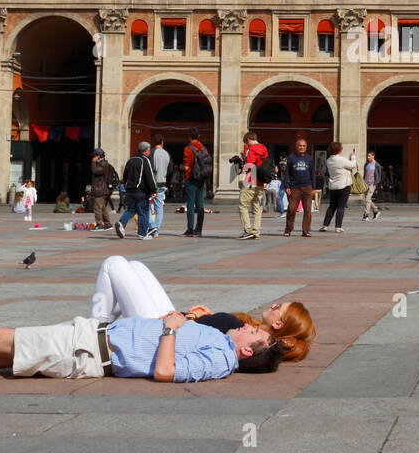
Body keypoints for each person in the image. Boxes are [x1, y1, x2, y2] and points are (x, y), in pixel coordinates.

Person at [0, 306, 282, 381]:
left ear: (248, 351)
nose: (248, 326)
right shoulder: (218, 341)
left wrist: (171, 329)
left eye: (255, 334)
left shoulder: (220, 359)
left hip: (89, 351)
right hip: (93, 342)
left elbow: (165, 371)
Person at [88, 255, 317, 362]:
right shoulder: (248, 327)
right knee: (136, 266)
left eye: (279, 307)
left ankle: (92, 329)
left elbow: (193, 338)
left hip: (160, 332)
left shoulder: (247, 336)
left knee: (114, 264)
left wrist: (190, 317)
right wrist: (194, 316)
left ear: (278, 324)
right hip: (172, 321)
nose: (273, 304)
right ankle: (107, 327)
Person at [115, 142, 156, 240]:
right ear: (146, 151)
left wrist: (126, 186)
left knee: (131, 210)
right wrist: (153, 190)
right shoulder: (145, 160)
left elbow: (124, 175)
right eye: (149, 150)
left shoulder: (131, 160)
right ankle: (142, 234)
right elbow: (149, 176)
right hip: (141, 191)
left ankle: (121, 223)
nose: (149, 152)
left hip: (129, 190)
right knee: (143, 212)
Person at [235, 130, 269, 240]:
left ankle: (248, 230)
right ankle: (256, 231)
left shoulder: (251, 149)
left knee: (242, 205)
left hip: (251, 179)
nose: (246, 145)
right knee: (257, 207)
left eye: (246, 142)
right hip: (260, 181)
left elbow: (249, 165)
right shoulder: (264, 148)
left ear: (248, 140)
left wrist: (242, 163)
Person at [319, 143, 357, 233]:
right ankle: (338, 226)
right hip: (344, 186)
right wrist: (353, 157)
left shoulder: (328, 160)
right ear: (339, 150)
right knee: (341, 206)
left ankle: (325, 225)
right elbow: (352, 165)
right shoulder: (341, 160)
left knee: (332, 206)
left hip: (333, 186)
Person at [179, 127, 209, 237]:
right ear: (199, 136)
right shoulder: (204, 149)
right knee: (200, 205)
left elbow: (186, 167)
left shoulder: (188, 148)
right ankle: (199, 230)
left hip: (190, 178)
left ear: (189, 137)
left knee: (190, 205)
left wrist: (181, 167)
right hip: (201, 179)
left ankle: (190, 230)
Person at [283, 138, 315, 237]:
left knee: (308, 210)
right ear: (296, 146)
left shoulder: (309, 158)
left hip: (307, 187)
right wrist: (287, 185)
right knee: (291, 209)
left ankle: (306, 231)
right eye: (299, 146)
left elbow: (312, 173)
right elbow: (287, 173)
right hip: (294, 187)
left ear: (306, 147)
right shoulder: (291, 158)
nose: (301, 147)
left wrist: (313, 187)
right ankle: (288, 229)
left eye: (303, 146)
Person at [146, 135, 171, 238]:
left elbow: (149, 168)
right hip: (162, 183)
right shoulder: (166, 153)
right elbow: (170, 170)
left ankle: (152, 226)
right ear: (162, 142)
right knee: (159, 207)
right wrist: (167, 183)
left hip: (152, 183)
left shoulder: (151, 153)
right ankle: (156, 231)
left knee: (146, 206)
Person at [88, 149, 116, 230]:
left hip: (100, 189)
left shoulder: (102, 164)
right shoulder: (101, 163)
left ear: (98, 156)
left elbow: (95, 171)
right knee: (102, 208)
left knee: (97, 208)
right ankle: (108, 224)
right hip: (100, 189)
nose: (93, 157)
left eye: (94, 155)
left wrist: (93, 162)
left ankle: (99, 224)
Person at [361, 150, 381, 221]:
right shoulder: (366, 164)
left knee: (367, 199)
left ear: (373, 156)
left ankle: (366, 215)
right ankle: (376, 211)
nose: (368, 157)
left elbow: (379, 176)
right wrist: (363, 182)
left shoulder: (377, 165)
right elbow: (365, 174)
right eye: (367, 156)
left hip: (372, 184)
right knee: (367, 199)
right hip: (365, 184)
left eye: (369, 156)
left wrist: (376, 184)